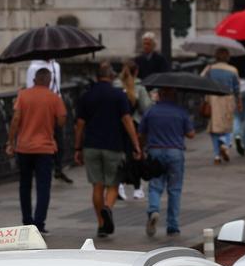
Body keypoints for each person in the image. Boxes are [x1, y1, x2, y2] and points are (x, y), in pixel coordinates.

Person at [75, 62, 142, 238]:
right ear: (111, 77)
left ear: (97, 77)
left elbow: (80, 125)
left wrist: (77, 147)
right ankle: (108, 208)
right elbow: (127, 120)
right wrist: (136, 144)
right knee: (113, 183)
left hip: (91, 145)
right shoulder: (118, 95)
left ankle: (100, 224)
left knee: (97, 185)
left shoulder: (86, 96)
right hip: (114, 145)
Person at [6, 67, 66, 234]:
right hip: (45, 149)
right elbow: (61, 121)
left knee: (24, 185)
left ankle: (27, 220)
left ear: (34, 80)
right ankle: (39, 223)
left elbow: (16, 119)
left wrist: (10, 142)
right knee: (43, 187)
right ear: (49, 82)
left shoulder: (23, 95)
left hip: (24, 147)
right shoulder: (54, 98)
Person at [139, 87, 195, 238]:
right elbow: (191, 134)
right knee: (175, 190)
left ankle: (154, 210)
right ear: (173, 95)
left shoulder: (151, 111)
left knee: (155, 186)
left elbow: (141, 132)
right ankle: (173, 226)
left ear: (160, 95)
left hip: (155, 151)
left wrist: (142, 148)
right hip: (175, 152)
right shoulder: (180, 112)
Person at [25, 59, 72, 183]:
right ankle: (41, 166)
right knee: (42, 137)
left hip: (54, 104)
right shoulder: (34, 67)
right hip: (42, 106)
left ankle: (58, 167)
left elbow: (58, 87)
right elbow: (30, 87)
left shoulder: (55, 65)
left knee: (59, 139)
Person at [115, 59, 153, 201]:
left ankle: (119, 184)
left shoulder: (116, 86)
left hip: (118, 126)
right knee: (136, 155)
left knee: (120, 156)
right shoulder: (140, 87)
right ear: (136, 71)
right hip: (135, 124)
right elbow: (146, 108)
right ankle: (137, 188)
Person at [202, 48, 242, 164]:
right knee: (227, 125)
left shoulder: (211, 69)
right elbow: (236, 88)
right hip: (227, 98)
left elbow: (202, 81)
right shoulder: (233, 70)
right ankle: (225, 142)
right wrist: (239, 101)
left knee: (214, 128)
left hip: (213, 99)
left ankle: (216, 156)